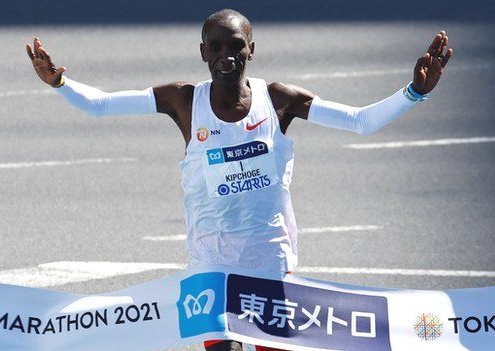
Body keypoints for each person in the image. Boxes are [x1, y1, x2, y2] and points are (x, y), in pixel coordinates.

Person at [26, 8, 452, 351]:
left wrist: (415, 92)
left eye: (236, 46)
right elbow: (102, 105)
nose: (226, 56)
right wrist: (58, 81)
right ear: (202, 53)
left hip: (269, 260)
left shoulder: (280, 100)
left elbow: (360, 122)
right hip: (210, 260)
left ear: (252, 50)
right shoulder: (184, 101)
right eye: (216, 47)